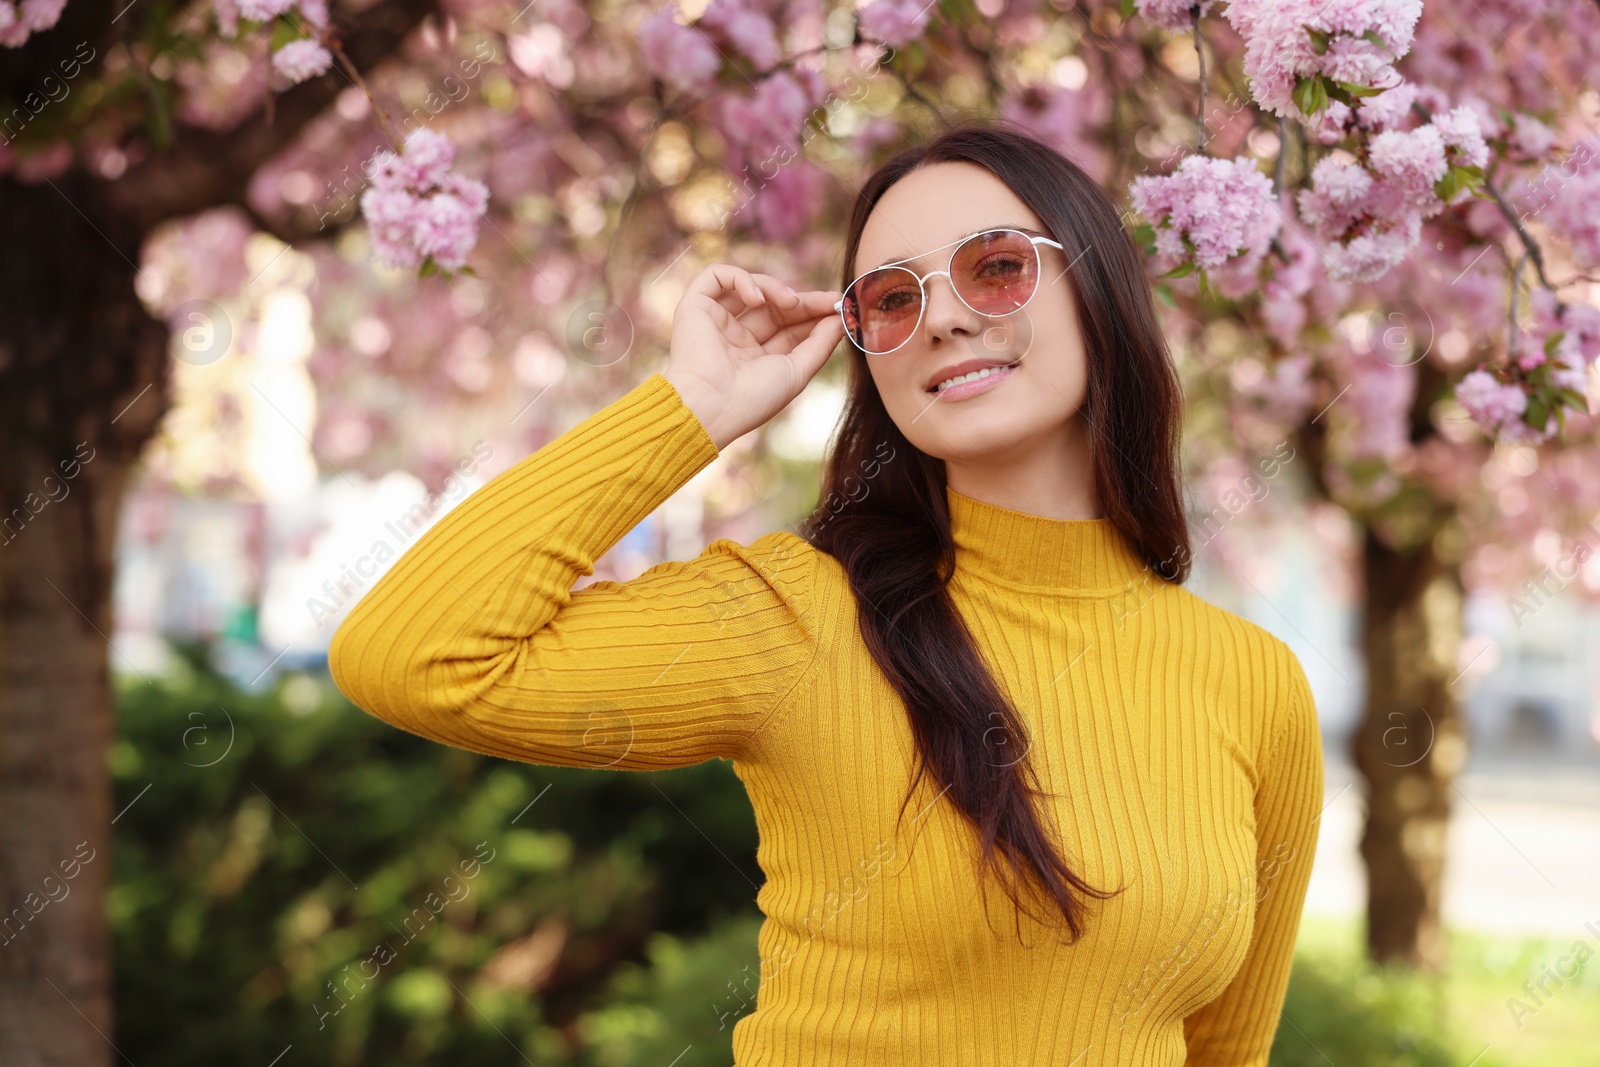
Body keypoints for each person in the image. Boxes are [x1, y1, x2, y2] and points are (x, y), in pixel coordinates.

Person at [329, 120, 1324, 1066]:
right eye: (890, 298)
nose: (941, 315)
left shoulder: (1252, 681)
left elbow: (1224, 1050)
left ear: (1096, 290)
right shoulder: (797, 615)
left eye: (996, 266)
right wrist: (689, 413)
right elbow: (415, 654)